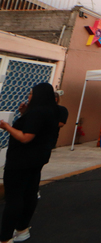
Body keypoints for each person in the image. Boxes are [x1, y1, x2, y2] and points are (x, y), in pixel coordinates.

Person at [0, 83, 59, 243]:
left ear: (38, 96)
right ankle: (22, 229)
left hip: (20, 161)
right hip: (36, 160)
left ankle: (5, 238)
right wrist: (24, 113)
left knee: (14, 198)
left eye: (31, 93)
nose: (29, 96)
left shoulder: (37, 112)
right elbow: (38, 130)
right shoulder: (51, 111)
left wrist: (6, 126)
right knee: (29, 193)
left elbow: (26, 137)